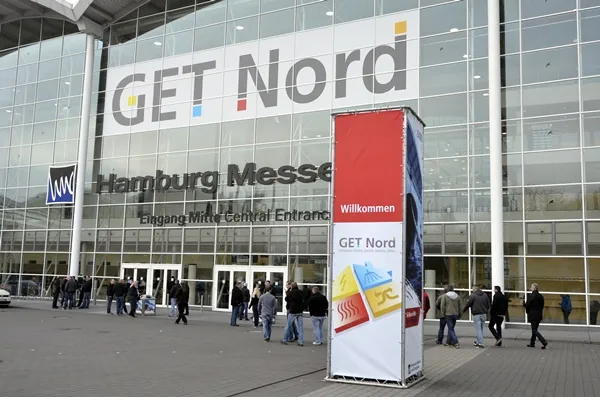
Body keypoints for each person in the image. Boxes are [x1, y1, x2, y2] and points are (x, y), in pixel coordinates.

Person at [525, 283, 548, 349]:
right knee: (535, 329)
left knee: (534, 330)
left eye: (531, 287)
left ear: (534, 288)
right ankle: (532, 343)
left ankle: (543, 341)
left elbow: (527, 305)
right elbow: (542, 305)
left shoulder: (531, 296)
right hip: (539, 314)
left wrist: (524, 305)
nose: (530, 288)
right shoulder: (540, 296)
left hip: (532, 314)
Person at [281, 282, 305, 346]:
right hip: (300, 311)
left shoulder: (291, 293)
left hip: (293, 311)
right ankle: (300, 341)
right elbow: (304, 300)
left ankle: (285, 339)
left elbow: (286, 299)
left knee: (288, 326)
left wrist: (290, 301)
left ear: (291, 286)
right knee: (300, 327)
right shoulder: (301, 292)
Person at [440, 284, 461, 349]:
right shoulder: (457, 296)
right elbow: (460, 306)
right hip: (455, 314)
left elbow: (442, 305)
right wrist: (460, 314)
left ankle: (456, 342)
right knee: (451, 328)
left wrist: (443, 313)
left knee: (451, 329)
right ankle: (448, 342)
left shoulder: (445, 296)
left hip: (448, 314)